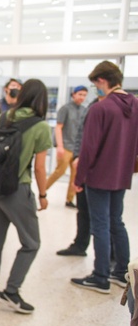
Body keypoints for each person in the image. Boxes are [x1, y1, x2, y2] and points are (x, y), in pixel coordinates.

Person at [0, 79, 52, 314]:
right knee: (31, 243)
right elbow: (40, 168)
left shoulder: (2, 117)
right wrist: (43, 194)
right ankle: (12, 290)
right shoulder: (41, 126)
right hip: (17, 190)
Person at [71, 61, 138, 293]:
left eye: (94, 84)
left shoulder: (101, 108)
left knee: (100, 225)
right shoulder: (135, 105)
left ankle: (100, 276)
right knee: (116, 221)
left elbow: (89, 149)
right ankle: (122, 272)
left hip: (99, 176)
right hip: (121, 174)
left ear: (101, 81)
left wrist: (78, 180)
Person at [56, 93, 103, 257]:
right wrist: (77, 156)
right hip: (83, 163)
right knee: (83, 209)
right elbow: (81, 137)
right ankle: (80, 245)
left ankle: (109, 260)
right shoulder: (91, 108)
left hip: (102, 169)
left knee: (105, 216)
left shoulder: (110, 109)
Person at [46, 85, 88, 208]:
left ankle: (69, 200)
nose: (82, 97)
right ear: (73, 94)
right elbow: (59, 127)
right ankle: (43, 190)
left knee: (75, 175)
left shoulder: (84, 110)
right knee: (60, 171)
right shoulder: (65, 109)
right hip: (65, 146)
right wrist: (59, 146)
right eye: (80, 94)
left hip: (77, 149)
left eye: (84, 95)